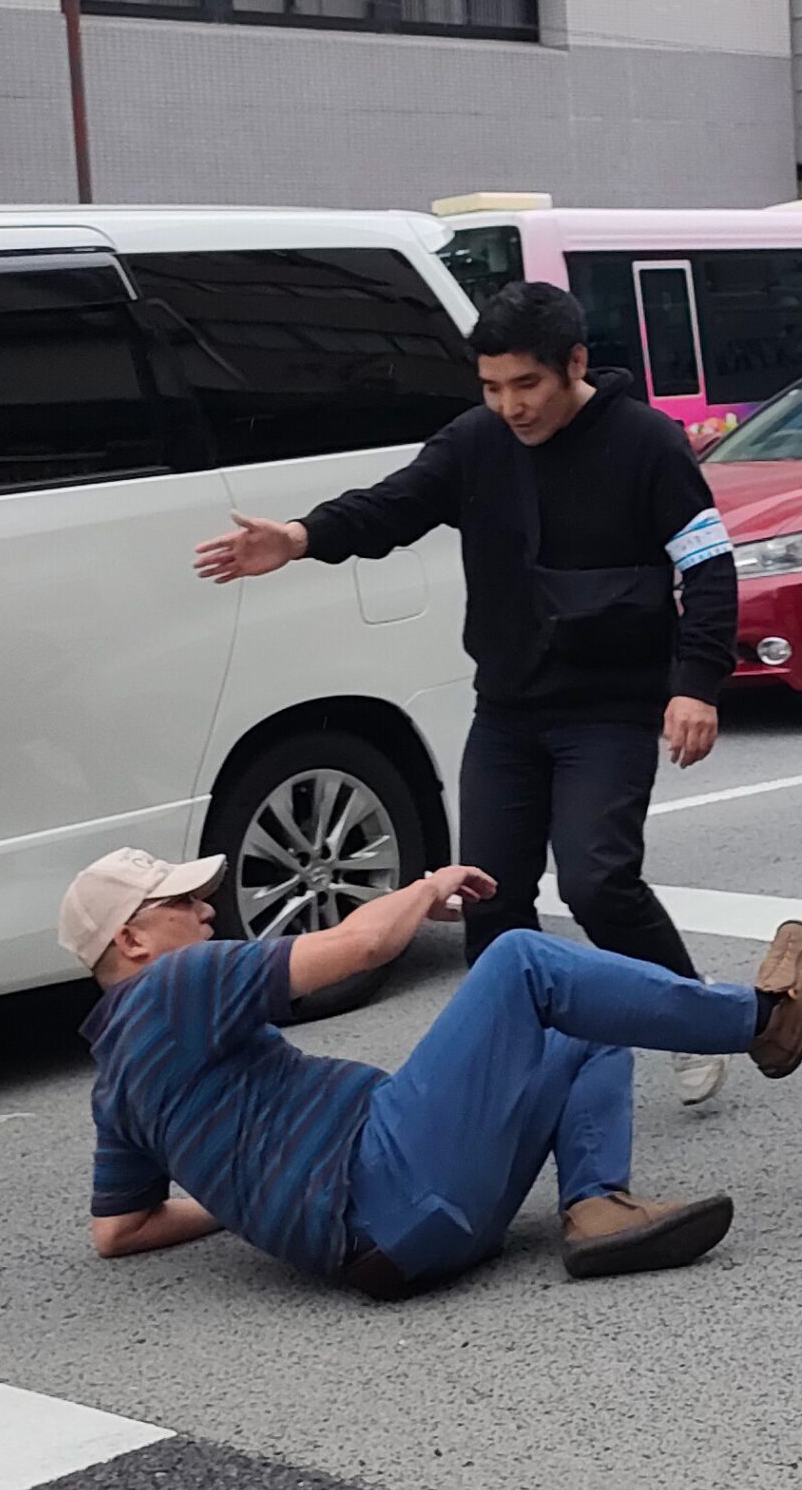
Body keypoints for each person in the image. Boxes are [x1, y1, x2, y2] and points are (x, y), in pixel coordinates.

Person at [195, 281, 743, 1109]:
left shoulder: (647, 444)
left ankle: (693, 1015)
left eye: (526, 385)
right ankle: (511, 1056)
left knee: (597, 881)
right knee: (488, 888)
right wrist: (302, 538)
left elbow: (708, 567)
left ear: (574, 366)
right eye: (491, 388)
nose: (510, 406)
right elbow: (393, 507)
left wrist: (695, 684)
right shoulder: (477, 443)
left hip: (610, 706)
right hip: (510, 708)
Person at [62, 847, 802, 1295]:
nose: (204, 911)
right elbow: (360, 949)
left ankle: (599, 1211)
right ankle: (760, 1020)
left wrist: (239, 1196)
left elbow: (119, 1229)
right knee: (522, 962)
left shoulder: (115, 1086)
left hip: (398, 1248)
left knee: (587, 1026)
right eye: (181, 902)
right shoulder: (173, 983)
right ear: (132, 940)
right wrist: (425, 888)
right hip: (387, 1181)